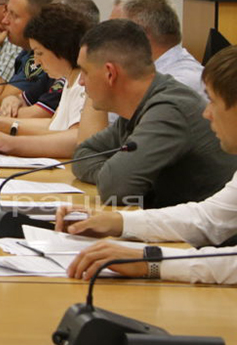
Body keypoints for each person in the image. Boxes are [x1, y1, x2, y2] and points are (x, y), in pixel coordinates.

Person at [57, 46, 237, 284]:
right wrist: (118, 222)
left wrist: (148, 261)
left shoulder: (170, 106)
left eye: (213, 101)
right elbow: (207, 218)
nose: (207, 113)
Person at [71, 19, 235, 209]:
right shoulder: (139, 107)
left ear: (110, 73)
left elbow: (115, 187)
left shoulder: (170, 108)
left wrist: (120, 175)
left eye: (85, 71)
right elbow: (83, 155)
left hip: (200, 235)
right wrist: (112, 172)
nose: (81, 82)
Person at [0, 3, 93, 158]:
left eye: (39, 53)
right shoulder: (69, 78)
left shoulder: (84, 82)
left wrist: (12, 137)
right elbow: (54, 124)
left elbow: (76, 138)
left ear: (61, 48)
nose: (37, 62)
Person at [0, 0, 59, 115]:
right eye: (6, 12)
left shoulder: (42, 59)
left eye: (14, 15)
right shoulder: (26, 53)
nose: (5, 21)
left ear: (37, 21)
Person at [110, 0, 205, 100]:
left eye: (114, 31)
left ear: (140, 36)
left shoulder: (180, 82)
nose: (108, 40)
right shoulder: (145, 74)